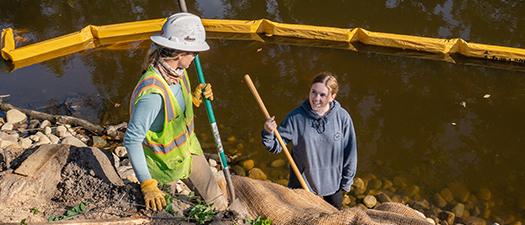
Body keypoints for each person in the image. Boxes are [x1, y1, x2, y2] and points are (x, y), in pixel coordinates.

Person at [124, 12, 227, 211]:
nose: (196, 57)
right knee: (169, 210)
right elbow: (132, 139)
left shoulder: (179, 73)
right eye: (194, 52)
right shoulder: (152, 94)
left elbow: (175, 111)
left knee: (218, 203)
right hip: (164, 165)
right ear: (180, 53)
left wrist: (194, 99)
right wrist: (147, 184)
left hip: (189, 151)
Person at [261, 72, 357, 209]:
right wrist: (268, 132)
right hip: (302, 186)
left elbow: (350, 153)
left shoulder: (343, 118)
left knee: (335, 219)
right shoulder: (296, 117)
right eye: (313, 92)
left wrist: (346, 183)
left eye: (322, 95)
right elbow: (276, 146)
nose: (316, 98)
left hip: (333, 185)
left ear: (332, 97)